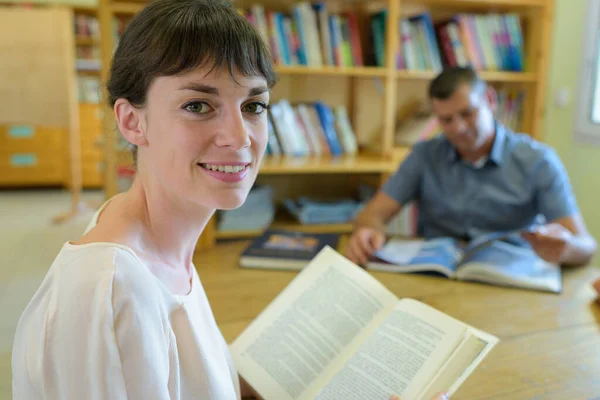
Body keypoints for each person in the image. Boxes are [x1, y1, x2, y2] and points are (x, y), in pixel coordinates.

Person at [11, 1, 449, 399]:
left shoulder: (161, 242)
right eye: (199, 105)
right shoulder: (106, 290)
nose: (239, 138)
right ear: (132, 121)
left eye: (254, 106)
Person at [346, 66, 597, 267]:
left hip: (510, 281)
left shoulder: (538, 161)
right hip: (437, 276)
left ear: (489, 100)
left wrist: (565, 247)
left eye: (467, 113)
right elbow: (373, 214)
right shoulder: (425, 155)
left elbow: (586, 247)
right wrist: (368, 230)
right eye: (446, 120)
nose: (458, 128)